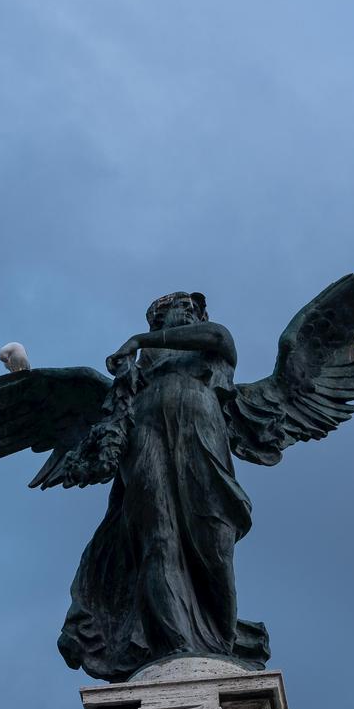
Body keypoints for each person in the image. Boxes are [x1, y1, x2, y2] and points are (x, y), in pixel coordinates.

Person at [57, 291, 268, 681]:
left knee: (214, 544)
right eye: (182, 308)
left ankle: (219, 644)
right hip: (145, 438)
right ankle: (175, 647)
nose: (192, 314)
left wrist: (139, 340)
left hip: (200, 433)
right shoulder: (134, 377)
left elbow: (218, 336)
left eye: (195, 310)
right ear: (159, 317)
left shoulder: (208, 349)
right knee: (157, 541)